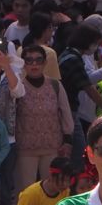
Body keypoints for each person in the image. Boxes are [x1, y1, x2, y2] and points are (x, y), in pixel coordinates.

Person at [10, 42, 72, 188]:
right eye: (29, 60)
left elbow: (66, 113)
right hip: (25, 149)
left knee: (53, 189)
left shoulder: (55, 85)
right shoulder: (18, 87)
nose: (34, 64)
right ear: (23, 64)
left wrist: (68, 141)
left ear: (45, 63)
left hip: (53, 147)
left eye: (38, 60)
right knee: (25, 191)